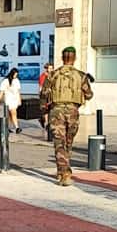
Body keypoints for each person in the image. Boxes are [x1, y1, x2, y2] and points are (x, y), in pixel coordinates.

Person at [41, 47, 93, 186]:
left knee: (59, 143)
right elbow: (89, 95)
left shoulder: (53, 75)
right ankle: (64, 173)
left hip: (56, 111)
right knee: (68, 143)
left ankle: (63, 171)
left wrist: (43, 114)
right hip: (72, 112)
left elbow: (43, 95)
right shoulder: (81, 76)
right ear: (74, 58)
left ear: (62, 57)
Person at [0, 68, 22, 133]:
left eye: (16, 75)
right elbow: (2, 91)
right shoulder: (5, 81)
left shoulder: (17, 80)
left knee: (10, 114)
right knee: (14, 113)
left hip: (15, 99)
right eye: (15, 75)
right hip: (8, 99)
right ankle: (17, 127)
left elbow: (18, 91)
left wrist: (19, 99)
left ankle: (7, 127)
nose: (15, 76)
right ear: (11, 74)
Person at [38, 63, 54, 135]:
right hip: (44, 94)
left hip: (51, 95)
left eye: (51, 68)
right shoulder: (43, 76)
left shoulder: (53, 75)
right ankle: (42, 120)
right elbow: (41, 85)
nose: (50, 69)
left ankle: (48, 124)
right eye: (49, 68)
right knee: (44, 110)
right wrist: (40, 93)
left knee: (50, 109)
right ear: (46, 68)